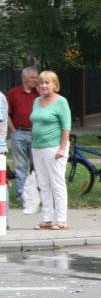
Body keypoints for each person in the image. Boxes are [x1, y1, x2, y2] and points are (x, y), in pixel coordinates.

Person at [30, 70, 71, 230]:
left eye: (47, 82)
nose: (44, 85)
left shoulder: (61, 102)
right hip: (38, 147)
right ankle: (47, 219)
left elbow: (66, 126)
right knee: (43, 184)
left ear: (55, 84)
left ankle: (61, 219)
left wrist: (62, 148)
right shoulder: (36, 101)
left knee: (57, 183)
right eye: (41, 83)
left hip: (54, 147)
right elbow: (35, 123)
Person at [7, 67, 39, 202]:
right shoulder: (13, 93)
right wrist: (13, 130)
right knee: (20, 165)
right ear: (24, 78)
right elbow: (7, 114)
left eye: (36, 77)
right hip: (19, 132)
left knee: (37, 165)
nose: (36, 80)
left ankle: (36, 193)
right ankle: (21, 195)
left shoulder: (38, 94)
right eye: (33, 77)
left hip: (36, 134)